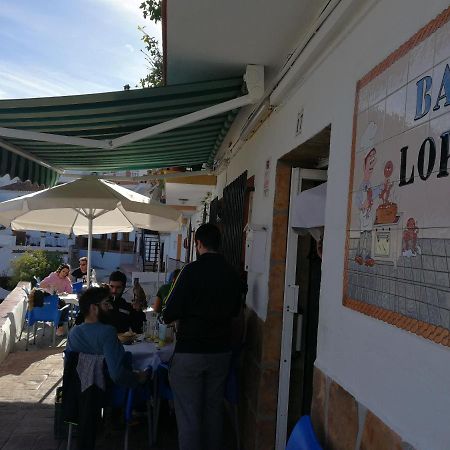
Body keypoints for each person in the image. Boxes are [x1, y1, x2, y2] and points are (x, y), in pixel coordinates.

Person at [162, 223, 242, 450]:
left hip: (191, 352)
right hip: (221, 353)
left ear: (198, 244)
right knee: (214, 411)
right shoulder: (231, 273)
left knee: (189, 415)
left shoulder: (190, 271)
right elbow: (236, 311)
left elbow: (170, 313)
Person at [67, 285, 147, 387]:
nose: (110, 307)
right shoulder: (107, 333)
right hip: (107, 394)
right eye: (106, 304)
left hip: (78, 392)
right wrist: (139, 377)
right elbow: (117, 375)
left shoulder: (73, 333)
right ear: (94, 308)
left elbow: (68, 367)